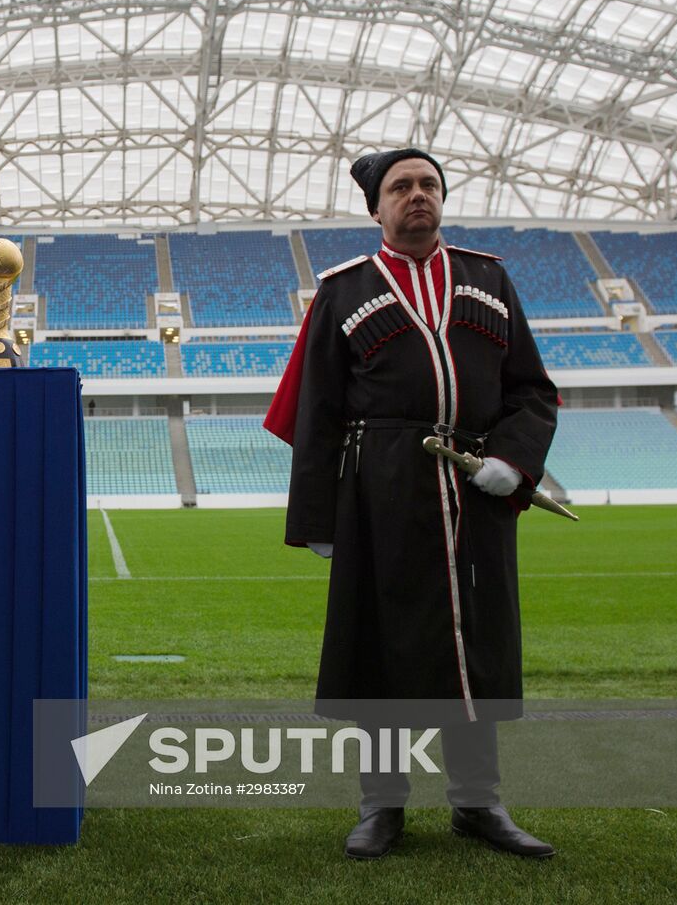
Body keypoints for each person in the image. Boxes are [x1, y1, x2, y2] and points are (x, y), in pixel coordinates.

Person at [264, 148, 558, 860]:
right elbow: (316, 414)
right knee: (382, 648)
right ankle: (381, 805)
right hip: (379, 492)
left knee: (471, 645)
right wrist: (317, 519)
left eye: (428, 184)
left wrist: (510, 463)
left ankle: (477, 803)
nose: (416, 195)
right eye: (401, 187)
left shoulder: (489, 278)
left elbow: (531, 390)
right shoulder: (342, 290)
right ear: (376, 208)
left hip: (473, 490)